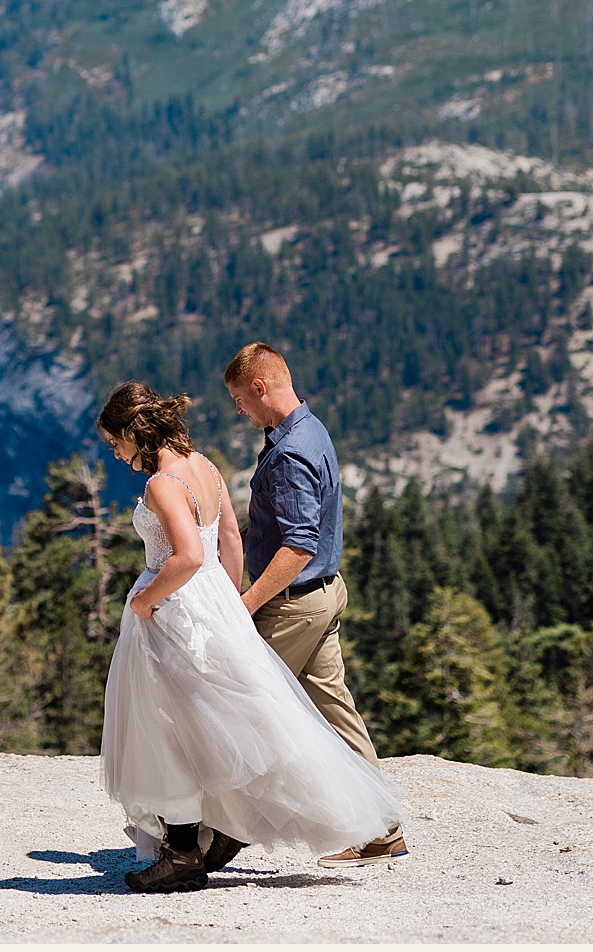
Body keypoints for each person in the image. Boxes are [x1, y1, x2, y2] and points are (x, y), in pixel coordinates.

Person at [96, 380, 407, 894]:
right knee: (242, 713)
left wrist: (146, 600)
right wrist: (231, 604)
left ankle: (181, 852)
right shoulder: (206, 467)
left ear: (135, 432)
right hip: (215, 598)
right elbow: (229, 541)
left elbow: (189, 556)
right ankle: (219, 829)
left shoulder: (161, 484)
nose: (115, 453)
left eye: (115, 442)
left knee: (168, 723)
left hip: (177, 607)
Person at [227, 340, 407, 867]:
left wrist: (247, 602)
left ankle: (219, 831)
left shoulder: (288, 454)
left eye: (240, 398)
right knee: (334, 709)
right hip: (326, 593)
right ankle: (382, 829)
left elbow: (298, 545)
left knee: (241, 705)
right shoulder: (310, 428)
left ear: (260, 388)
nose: (239, 410)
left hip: (292, 603)